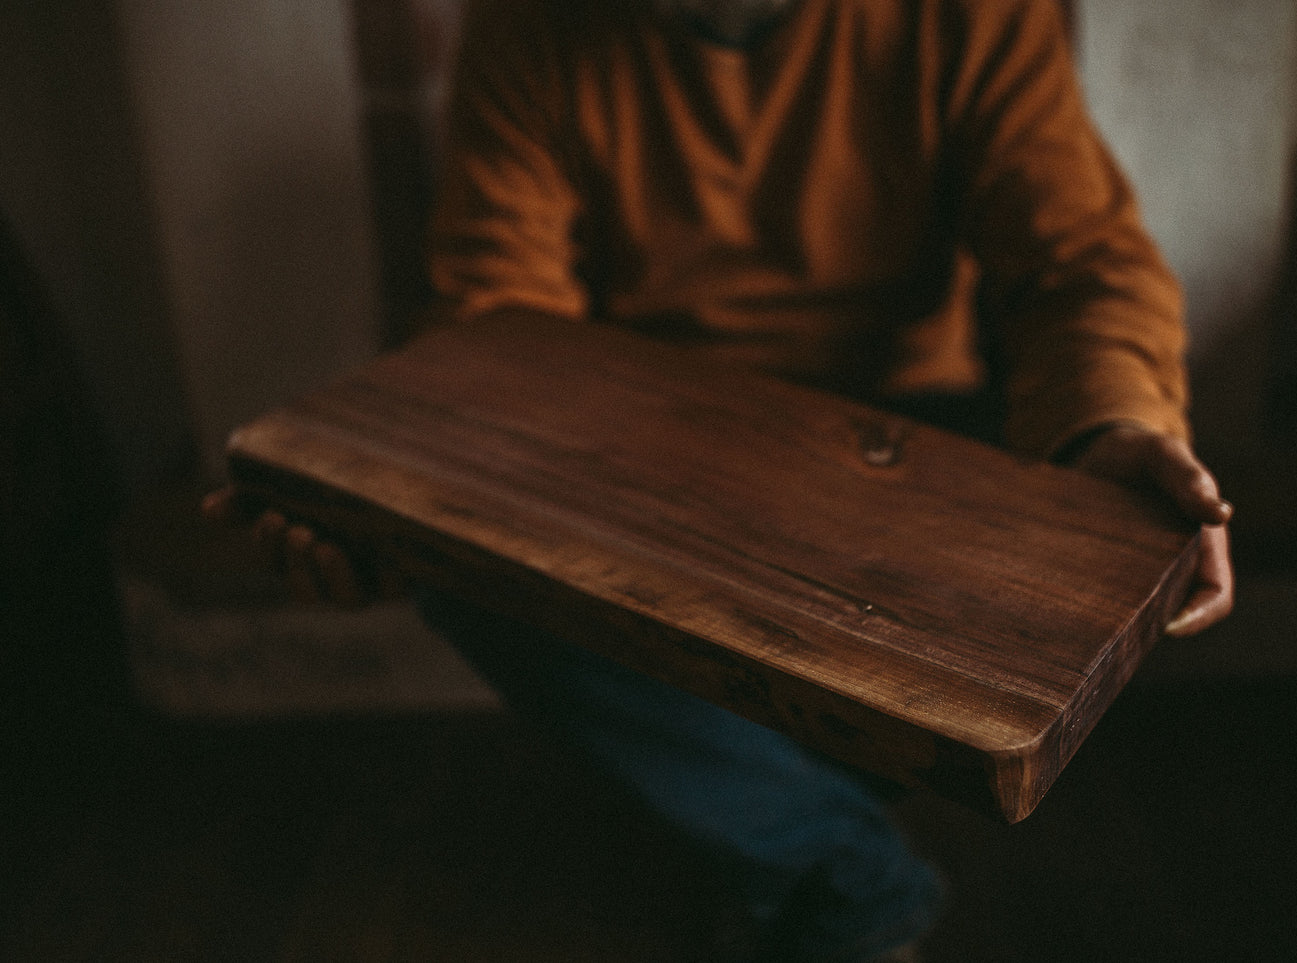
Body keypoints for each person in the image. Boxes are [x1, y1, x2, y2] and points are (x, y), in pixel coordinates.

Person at [207, 1, 1233, 959]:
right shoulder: (529, 27)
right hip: (650, 449)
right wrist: (400, 517)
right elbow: (495, 319)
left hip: (904, 435)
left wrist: (1111, 423)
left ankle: (771, 816)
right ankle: (844, 873)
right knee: (471, 581)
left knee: (925, 666)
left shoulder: (962, 16)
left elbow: (1079, 261)